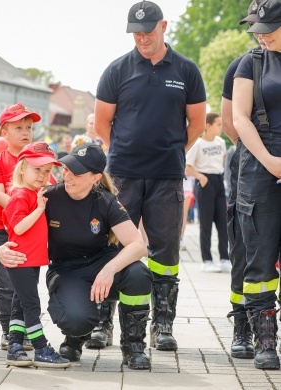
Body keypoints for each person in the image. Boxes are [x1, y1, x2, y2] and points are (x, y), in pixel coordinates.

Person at [94, 1, 206, 351]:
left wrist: (171, 153)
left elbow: (198, 124)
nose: (141, 39)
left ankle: (163, 325)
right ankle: (102, 324)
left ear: (164, 26)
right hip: (124, 176)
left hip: (167, 177)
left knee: (165, 251)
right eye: (136, 34)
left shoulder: (187, 70)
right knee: (113, 246)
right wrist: (124, 151)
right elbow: (102, 123)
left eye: (147, 32)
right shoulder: (117, 70)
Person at [0, 143, 153, 370]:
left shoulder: (106, 200)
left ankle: (134, 347)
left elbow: (138, 246)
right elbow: (14, 224)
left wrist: (109, 270)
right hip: (66, 270)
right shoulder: (48, 196)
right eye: (66, 168)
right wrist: (0, 250)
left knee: (138, 273)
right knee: (76, 319)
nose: (66, 175)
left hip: (102, 263)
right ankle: (76, 337)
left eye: (76, 172)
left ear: (95, 177)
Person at [233, 0, 281, 370]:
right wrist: (271, 162)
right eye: (257, 30)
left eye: (269, 29)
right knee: (260, 256)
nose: (260, 35)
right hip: (260, 162)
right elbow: (239, 117)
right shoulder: (251, 61)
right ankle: (265, 341)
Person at [221, 0, 265, 361]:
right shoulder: (242, 66)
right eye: (251, 24)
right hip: (249, 167)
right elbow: (230, 123)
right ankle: (242, 326)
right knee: (244, 250)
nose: (255, 30)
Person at [2, 141, 69, 368]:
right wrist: (39, 209)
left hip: (30, 260)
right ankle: (40, 348)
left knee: (20, 303)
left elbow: (51, 183)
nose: (43, 175)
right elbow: (18, 227)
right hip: (20, 260)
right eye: (37, 169)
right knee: (31, 304)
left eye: (47, 170)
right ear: (22, 168)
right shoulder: (21, 195)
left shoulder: (33, 191)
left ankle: (15, 346)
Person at [0, 103, 40, 350]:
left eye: (29, 127)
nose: (25, 131)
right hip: (4, 230)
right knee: (7, 283)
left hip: (32, 232)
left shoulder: (37, 161)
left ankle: (26, 329)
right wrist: (21, 209)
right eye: (18, 127)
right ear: (4, 133)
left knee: (27, 284)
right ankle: (8, 330)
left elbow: (47, 188)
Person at [185, 113, 230, 273]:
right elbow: (187, 166)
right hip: (205, 182)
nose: (221, 127)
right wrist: (201, 177)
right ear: (208, 126)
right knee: (206, 223)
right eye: (218, 124)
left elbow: (222, 159)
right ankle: (207, 260)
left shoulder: (220, 142)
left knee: (223, 222)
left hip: (218, 181)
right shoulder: (198, 144)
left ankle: (225, 258)